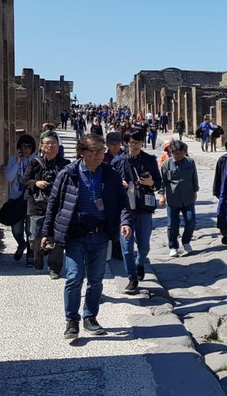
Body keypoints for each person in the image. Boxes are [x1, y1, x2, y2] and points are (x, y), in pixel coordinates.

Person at [40, 133, 132, 340]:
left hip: (100, 235)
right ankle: (72, 320)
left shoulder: (110, 174)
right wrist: (47, 233)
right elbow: (53, 205)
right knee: (74, 277)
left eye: (102, 150)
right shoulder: (68, 174)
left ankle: (90, 318)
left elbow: (122, 202)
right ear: (81, 152)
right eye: (94, 150)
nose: (100, 154)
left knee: (96, 280)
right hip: (75, 235)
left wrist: (125, 222)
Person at [112, 129, 162, 293]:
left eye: (138, 142)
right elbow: (109, 183)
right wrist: (119, 184)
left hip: (143, 208)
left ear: (142, 143)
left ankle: (140, 263)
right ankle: (132, 277)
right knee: (126, 247)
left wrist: (150, 182)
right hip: (125, 209)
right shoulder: (118, 162)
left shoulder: (149, 160)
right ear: (127, 143)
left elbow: (159, 183)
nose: (135, 146)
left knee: (144, 246)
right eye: (132, 142)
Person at [22, 132, 70, 276]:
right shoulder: (35, 163)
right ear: (42, 146)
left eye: (53, 143)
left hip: (57, 206)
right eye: (47, 143)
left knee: (57, 237)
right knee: (34, 237)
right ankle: (38, 256)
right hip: (37, 205)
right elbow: (25, 181)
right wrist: (37, 183)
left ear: (58, 146)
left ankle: (54, 267)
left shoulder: (65, 164)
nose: (50, 145)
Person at [160, 140, 199, 257]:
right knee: (172, 224)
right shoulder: (166, 165)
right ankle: (173, 246)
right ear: (171, 152)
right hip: (173, 198)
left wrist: (195, 191)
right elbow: (163, 182)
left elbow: (194, 177)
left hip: (188, 197)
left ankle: (186, 241)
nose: (179, 156)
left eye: (181, 153)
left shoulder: (190, 162)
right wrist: (162, 195)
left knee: (191, 221)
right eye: (176, 153)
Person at [4, 135, 37, 261]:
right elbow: (9, 178)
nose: (26, 149)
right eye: (24, 146)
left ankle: (30, 253)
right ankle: (21, 244)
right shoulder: (13, 160)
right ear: (19, 147)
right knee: (16, 230)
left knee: (30, 230)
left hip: (30, 199)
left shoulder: (36, 160)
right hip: (15, 199)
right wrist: (18, 163)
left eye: (29, 146)